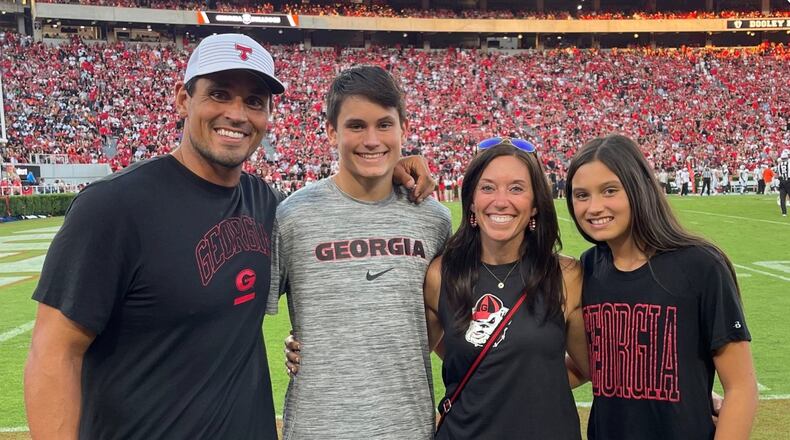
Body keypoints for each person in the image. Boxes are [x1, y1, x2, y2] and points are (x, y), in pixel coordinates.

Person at [24, 34, 435, 440]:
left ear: (268, 115)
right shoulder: (113, 206)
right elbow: (54, 352)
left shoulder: (267, 204)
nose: (237, 114)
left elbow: (346, 275)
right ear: (184, 100)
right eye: (219, 94)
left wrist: (394, 168)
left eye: (254, 101)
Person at [268, 65, 452, 439]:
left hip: (407, 427)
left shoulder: (435, 221)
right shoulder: (293, 216)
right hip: (318, 428)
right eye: (356, 126)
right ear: (331, 131)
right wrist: (305, 343)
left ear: (403, 128)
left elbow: (450, 322)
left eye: (384, 124)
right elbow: (238, 321)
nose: (372, 139)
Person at [565, 134, 758, 439]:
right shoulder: (588, 267)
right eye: (581, 195)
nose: (594, 207)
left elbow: (740, 387)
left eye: (610, 191)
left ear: (638, 188)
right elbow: (593, 365)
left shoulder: (701, 265)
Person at [424, 138, 588, 439]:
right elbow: (420, 356)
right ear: (472, 201)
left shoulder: (566, 276)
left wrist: (528, 385)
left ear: (536, 204)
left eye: (516, 188)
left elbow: (589, 366)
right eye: (487, 188)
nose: (501, 201)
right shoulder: (440, 274)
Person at [777, 150, 790, 217]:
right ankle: (784, 212)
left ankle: (784, 213)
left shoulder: (779, 165)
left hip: (782, 182)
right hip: (788, 181)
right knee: (782, 198)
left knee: (782, 198)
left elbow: (779, 176)